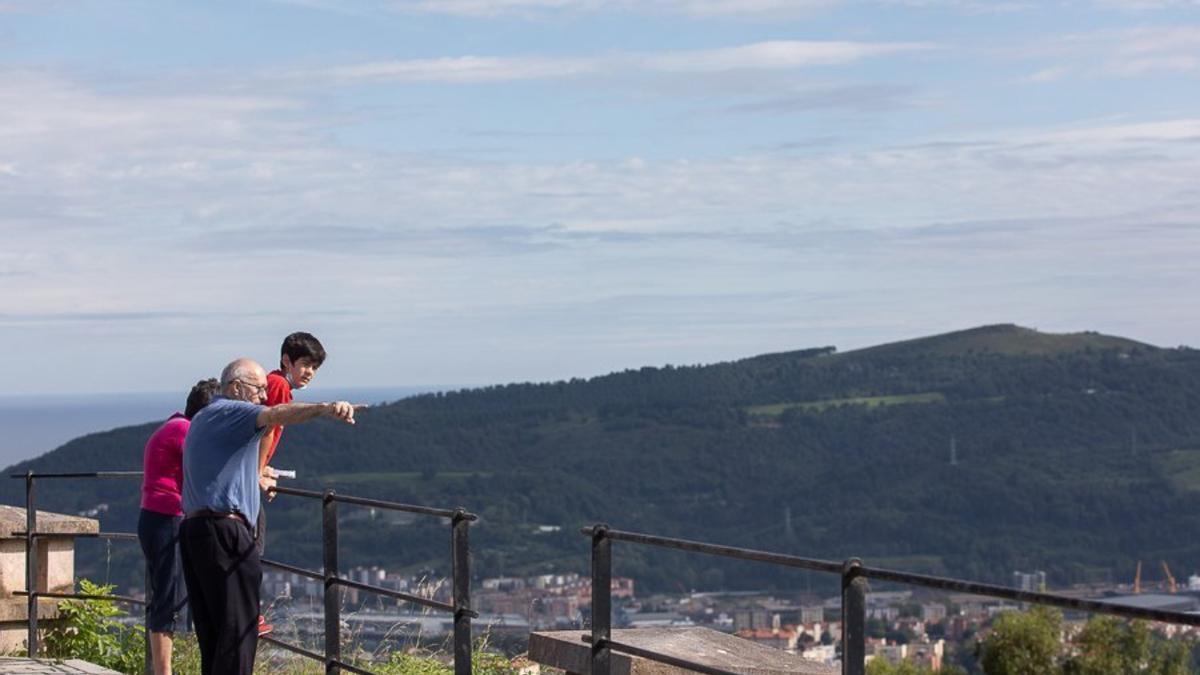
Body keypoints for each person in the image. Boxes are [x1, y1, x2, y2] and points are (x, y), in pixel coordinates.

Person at [179, 358, 359, 675]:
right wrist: (326, 408)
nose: (264, 396)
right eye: (259, 389)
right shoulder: (232, 411)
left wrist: (259, 472)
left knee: (214, 635)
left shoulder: (207, 418)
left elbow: (228, 465)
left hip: (196, 531)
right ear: (235, 387)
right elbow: (275, 416)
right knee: (239, 631)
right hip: (226, 533)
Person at [137, 378, 220, 675]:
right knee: (169, 600)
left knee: (166, 595)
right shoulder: (185, 431)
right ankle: (163, 672)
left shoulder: (174, 425)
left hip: (157, 518)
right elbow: (210, 465)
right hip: (168, 518)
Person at [255, 331, 326, 636]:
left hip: (247, 470)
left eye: (314, 367)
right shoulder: (279, 384)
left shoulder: (273, 382)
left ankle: (246, 611)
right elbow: (268, 427)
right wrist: (258, 471)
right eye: (305, 364)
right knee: (252, 543)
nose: (309, 372)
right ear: (287, 360)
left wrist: (263, 466)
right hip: (247, 477)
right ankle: (249, 613)